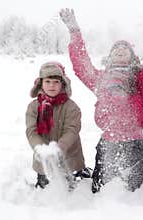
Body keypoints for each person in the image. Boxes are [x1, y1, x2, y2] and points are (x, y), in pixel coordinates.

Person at [59, 8, 143, 193]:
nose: (120, 49)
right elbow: (81, 65)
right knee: (100, 190)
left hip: (134, 142)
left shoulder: (138, 81)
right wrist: (74, 32)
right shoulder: (100, 80)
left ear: (133, 58)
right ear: (109, 57)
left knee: (131, 192)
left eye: (125, 48)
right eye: (116, 48)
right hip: (107, 142)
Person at [25, 61, 91, 189]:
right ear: (41, 83)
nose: (52, 86)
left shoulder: (71, 107)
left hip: (70, 159)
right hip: (43, 162)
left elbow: (72, 130)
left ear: (63, 84)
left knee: (72, 191)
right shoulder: (33, 107)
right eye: (48, 82)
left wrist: (58, 149)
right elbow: (31, 132)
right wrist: (41, 150)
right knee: (46, 190)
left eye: (56, 82)